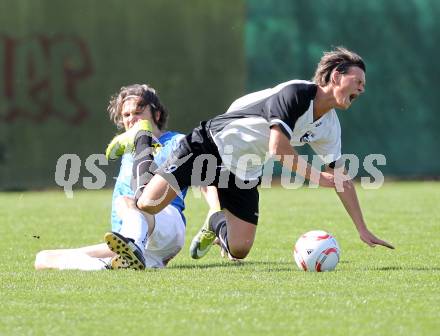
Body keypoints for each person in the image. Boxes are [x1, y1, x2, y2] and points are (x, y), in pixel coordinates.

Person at [106, 47, 394, 268]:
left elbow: (342, 178)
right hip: (210, 144)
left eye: (363, 85)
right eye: (358, 81)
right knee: (147, 204)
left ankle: (215, 221)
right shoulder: (296, 94)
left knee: (239, 249)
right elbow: (278, 148)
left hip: (243, 169)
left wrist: (362, 228)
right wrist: (319, 178)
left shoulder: (329, 126)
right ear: (335, 77)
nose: (362, 88)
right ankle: (141, 138)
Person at [35, 84, 196, 270]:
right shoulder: (128, 152)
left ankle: (133, 246)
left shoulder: (177, 142)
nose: (132, 119)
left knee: (125, 202)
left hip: (167, 221)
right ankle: (111, 264)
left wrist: (216, 216)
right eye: (126, 115)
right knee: (44, 259)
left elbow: (207, 179)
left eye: (138, 112)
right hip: (138, 240)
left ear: (157, 115)